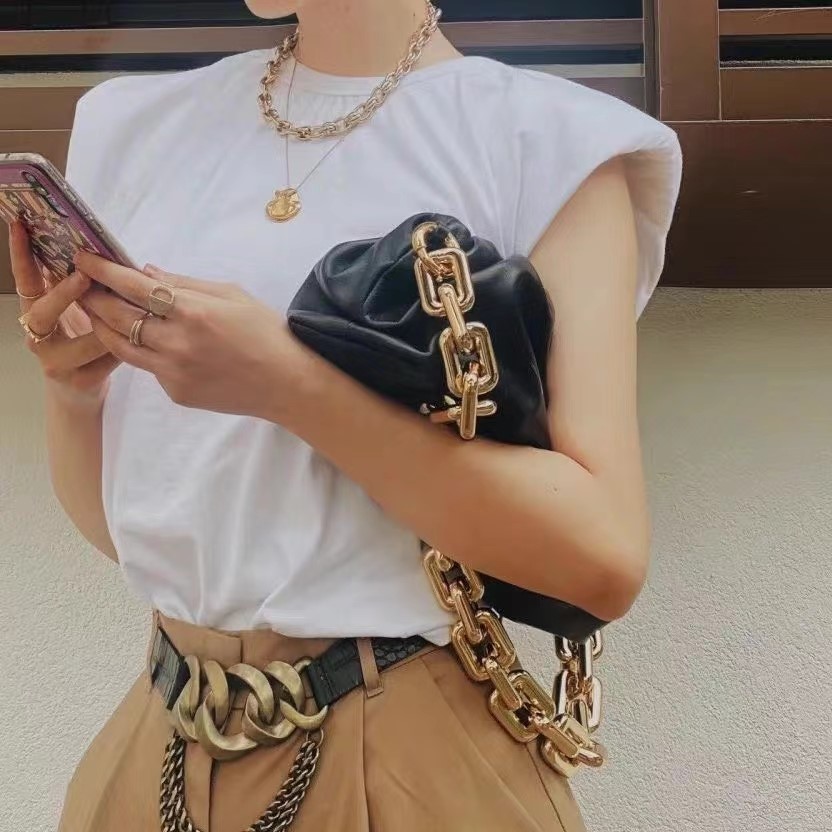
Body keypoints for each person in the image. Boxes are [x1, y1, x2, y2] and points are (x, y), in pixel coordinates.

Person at [11, 1, 682, 829]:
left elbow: (601, 558)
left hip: (405, 761)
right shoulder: (135, 125)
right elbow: (137, 534)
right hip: (156, 750)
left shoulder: (550, 143)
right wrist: (75, 393)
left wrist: (288, 387)